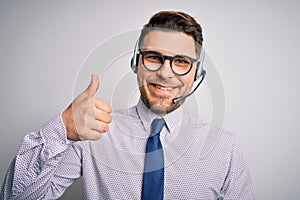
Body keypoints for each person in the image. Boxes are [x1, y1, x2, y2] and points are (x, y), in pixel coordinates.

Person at [1, 10, 255, 199]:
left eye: (181, 62)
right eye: (154, 57)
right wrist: (61, 130)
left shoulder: (225, 147)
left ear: (196, 73)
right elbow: (16, 197)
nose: (166, 74)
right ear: (136, 63)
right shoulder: (93, 133)